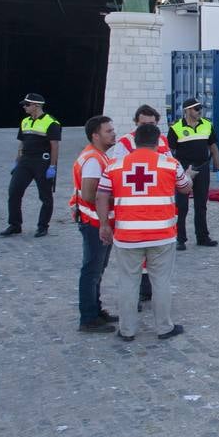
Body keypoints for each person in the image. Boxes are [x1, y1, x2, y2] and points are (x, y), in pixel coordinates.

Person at [95, 123, 192, 342]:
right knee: (161, 282)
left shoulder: (114, 165)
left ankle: (127, 330)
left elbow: (101, 196)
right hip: (162, 235)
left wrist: (103, 225)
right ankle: (164, 328)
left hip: (127, 236)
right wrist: (189, 178)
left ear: (134, 140)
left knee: (128, 282)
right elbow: (186, 188)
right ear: (158, 141)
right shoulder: (170, 164)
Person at [72, 115, 118, 332]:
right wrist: (118, 199)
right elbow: (90, 195)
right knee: (92, 269)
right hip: (94, 222)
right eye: (108, 131)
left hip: (94, 221)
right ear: (95, 135)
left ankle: (95, 311)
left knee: (97, 268)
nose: (113, 133)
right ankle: (88, 318)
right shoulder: (93, 160)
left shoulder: (98, 156)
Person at [2, 93, 61, 237]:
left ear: (36, 106)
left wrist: (52, 167)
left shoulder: (51, 122)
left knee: (45, 196)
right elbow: (21, 143)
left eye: (27, 104)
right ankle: (15, 225)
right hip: (25, 161)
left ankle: (42, 226)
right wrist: (17, 161)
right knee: (14, 191)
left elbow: (55, 146)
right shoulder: (25, 121)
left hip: (42, 162)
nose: (24, 107)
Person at [168, 97, 219, 250]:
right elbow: (169, 152)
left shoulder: (207, 125)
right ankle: (180, 239)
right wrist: (176, 171)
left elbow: (213, 148)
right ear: (187, 110)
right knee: (182, 205)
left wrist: (218, 168)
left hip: (202, 168)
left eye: (200, 108)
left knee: (201, 205)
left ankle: (202, 237)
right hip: (183, 169)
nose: (200, 111)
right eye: (196, 108)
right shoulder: (176, 128)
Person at [108, 104, 172, 160]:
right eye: (143, 124)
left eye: (151, 124)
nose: (147, 127)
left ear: (157, 122)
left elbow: (170, 162)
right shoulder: (125, 141)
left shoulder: (163, 139)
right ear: (136, 122)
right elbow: (116, 166)